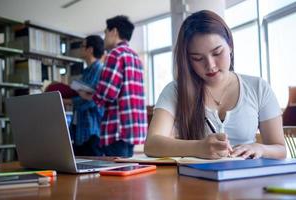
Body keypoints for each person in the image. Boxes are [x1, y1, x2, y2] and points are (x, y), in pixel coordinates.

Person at [144, 10, 286, 159]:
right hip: (194, 179)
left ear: (230, 46)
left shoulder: (258, 87)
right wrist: (198, 148)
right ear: (188, 60)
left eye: (217, 53)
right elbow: (152, 144)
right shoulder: (176, 91)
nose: (210, 65)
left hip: (249, 177)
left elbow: (280, 149)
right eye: (198, 58)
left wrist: (259, 148)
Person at [79, 15, 147, 157]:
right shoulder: (135, 57)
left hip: (118, 127)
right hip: (134, 128)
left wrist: (91, 96)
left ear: (114, 32)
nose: (104, 38)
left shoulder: (115, 54)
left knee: (115, 175)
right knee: (127, 172)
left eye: (105, 32)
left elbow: (108, 93)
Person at [64, 35, 105, 156]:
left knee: (93, 171)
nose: (80, 49)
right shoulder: (87, 71)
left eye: (82, 46)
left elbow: (91, 100)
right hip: (79, 130)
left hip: (91, 130)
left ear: (90, 49)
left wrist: (66, 101)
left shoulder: (99, 69)